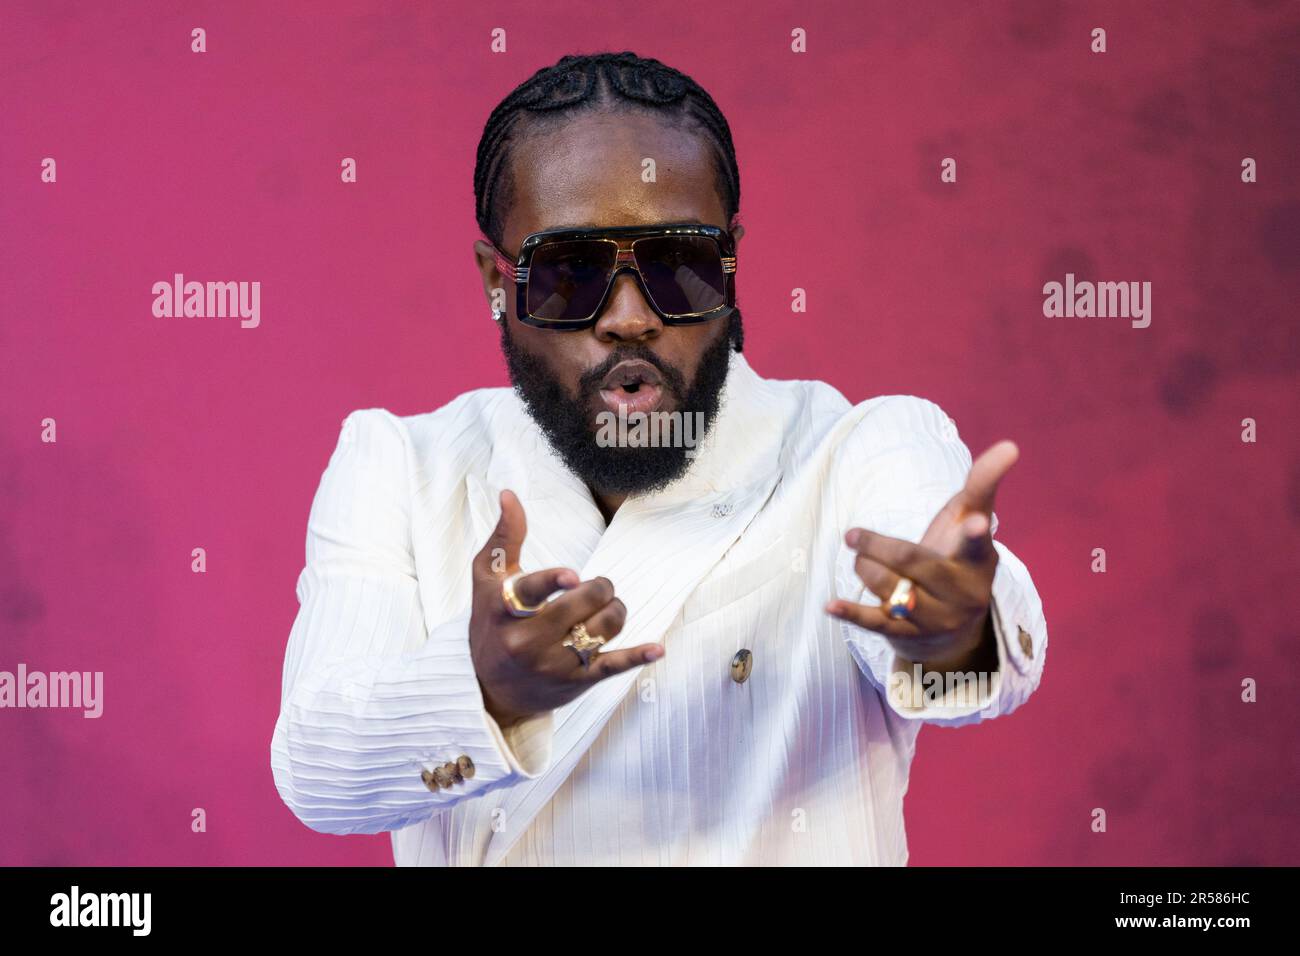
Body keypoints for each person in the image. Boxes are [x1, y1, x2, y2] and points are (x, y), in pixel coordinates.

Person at [270, 51, 1048, 866]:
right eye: (570, 274)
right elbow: (318, 771)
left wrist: (955, 630)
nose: (630, 319)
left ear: (733, 266)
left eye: (679, 265)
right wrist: (484, 690)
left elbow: (948, 613)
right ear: (494, 281)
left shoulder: (858, 449)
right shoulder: (402, 465)